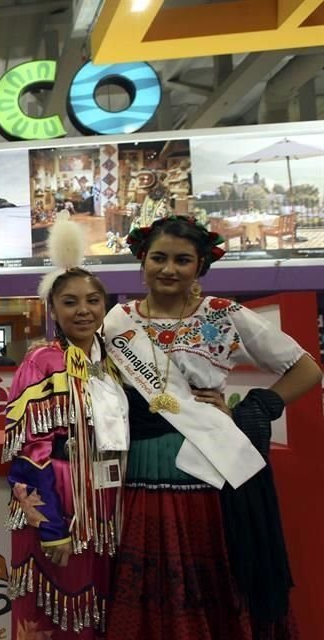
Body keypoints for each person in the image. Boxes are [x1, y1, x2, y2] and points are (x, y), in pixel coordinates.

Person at [105, 216, 322, 640]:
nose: (169, 269)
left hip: (208, 465)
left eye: (183, 260)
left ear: (201, 265)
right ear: (142, 260)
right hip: (139, 466)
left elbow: (306, 369)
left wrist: (254, 409)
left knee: (210, 574)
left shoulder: (224, 315)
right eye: (159, 258)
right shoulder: (117, 320)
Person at [2, 215, 130, 639]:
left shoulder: (116, 363)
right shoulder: (42, 362)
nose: (85, 310)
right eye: (71, 301)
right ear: (52, 308)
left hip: (107, 505)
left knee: (100, 609)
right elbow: (26, 451)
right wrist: (50, 524)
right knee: (53, 617)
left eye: (94, 300)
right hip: (61, 504)